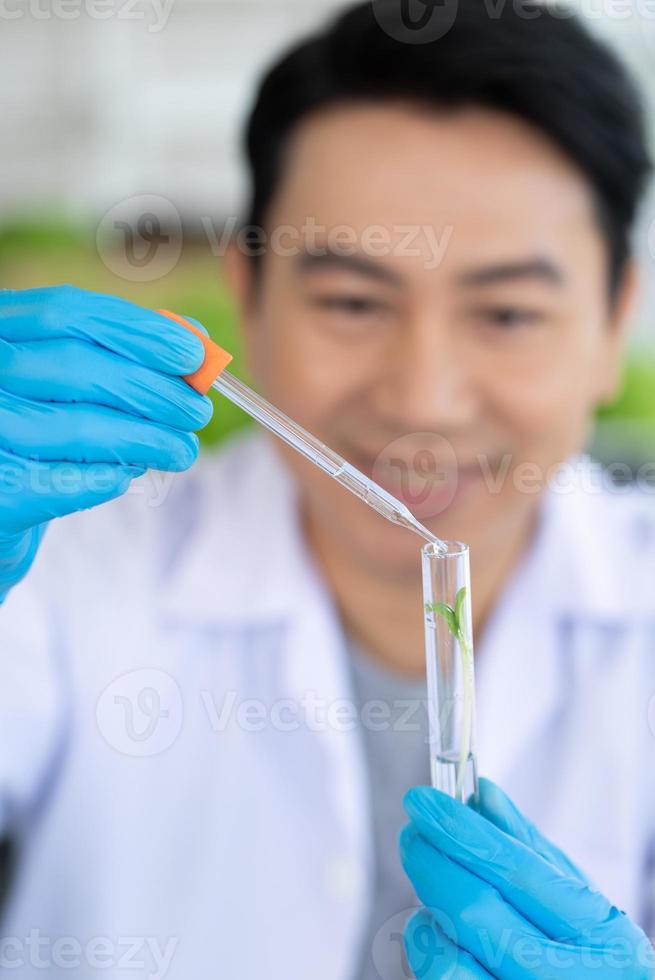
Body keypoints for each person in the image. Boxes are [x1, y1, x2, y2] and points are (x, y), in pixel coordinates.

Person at [1, 1, 654, 977]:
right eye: (352, 301)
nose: (422, 397)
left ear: (614, 324)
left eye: (508, 311)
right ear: (250, 300)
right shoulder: (63, 567)